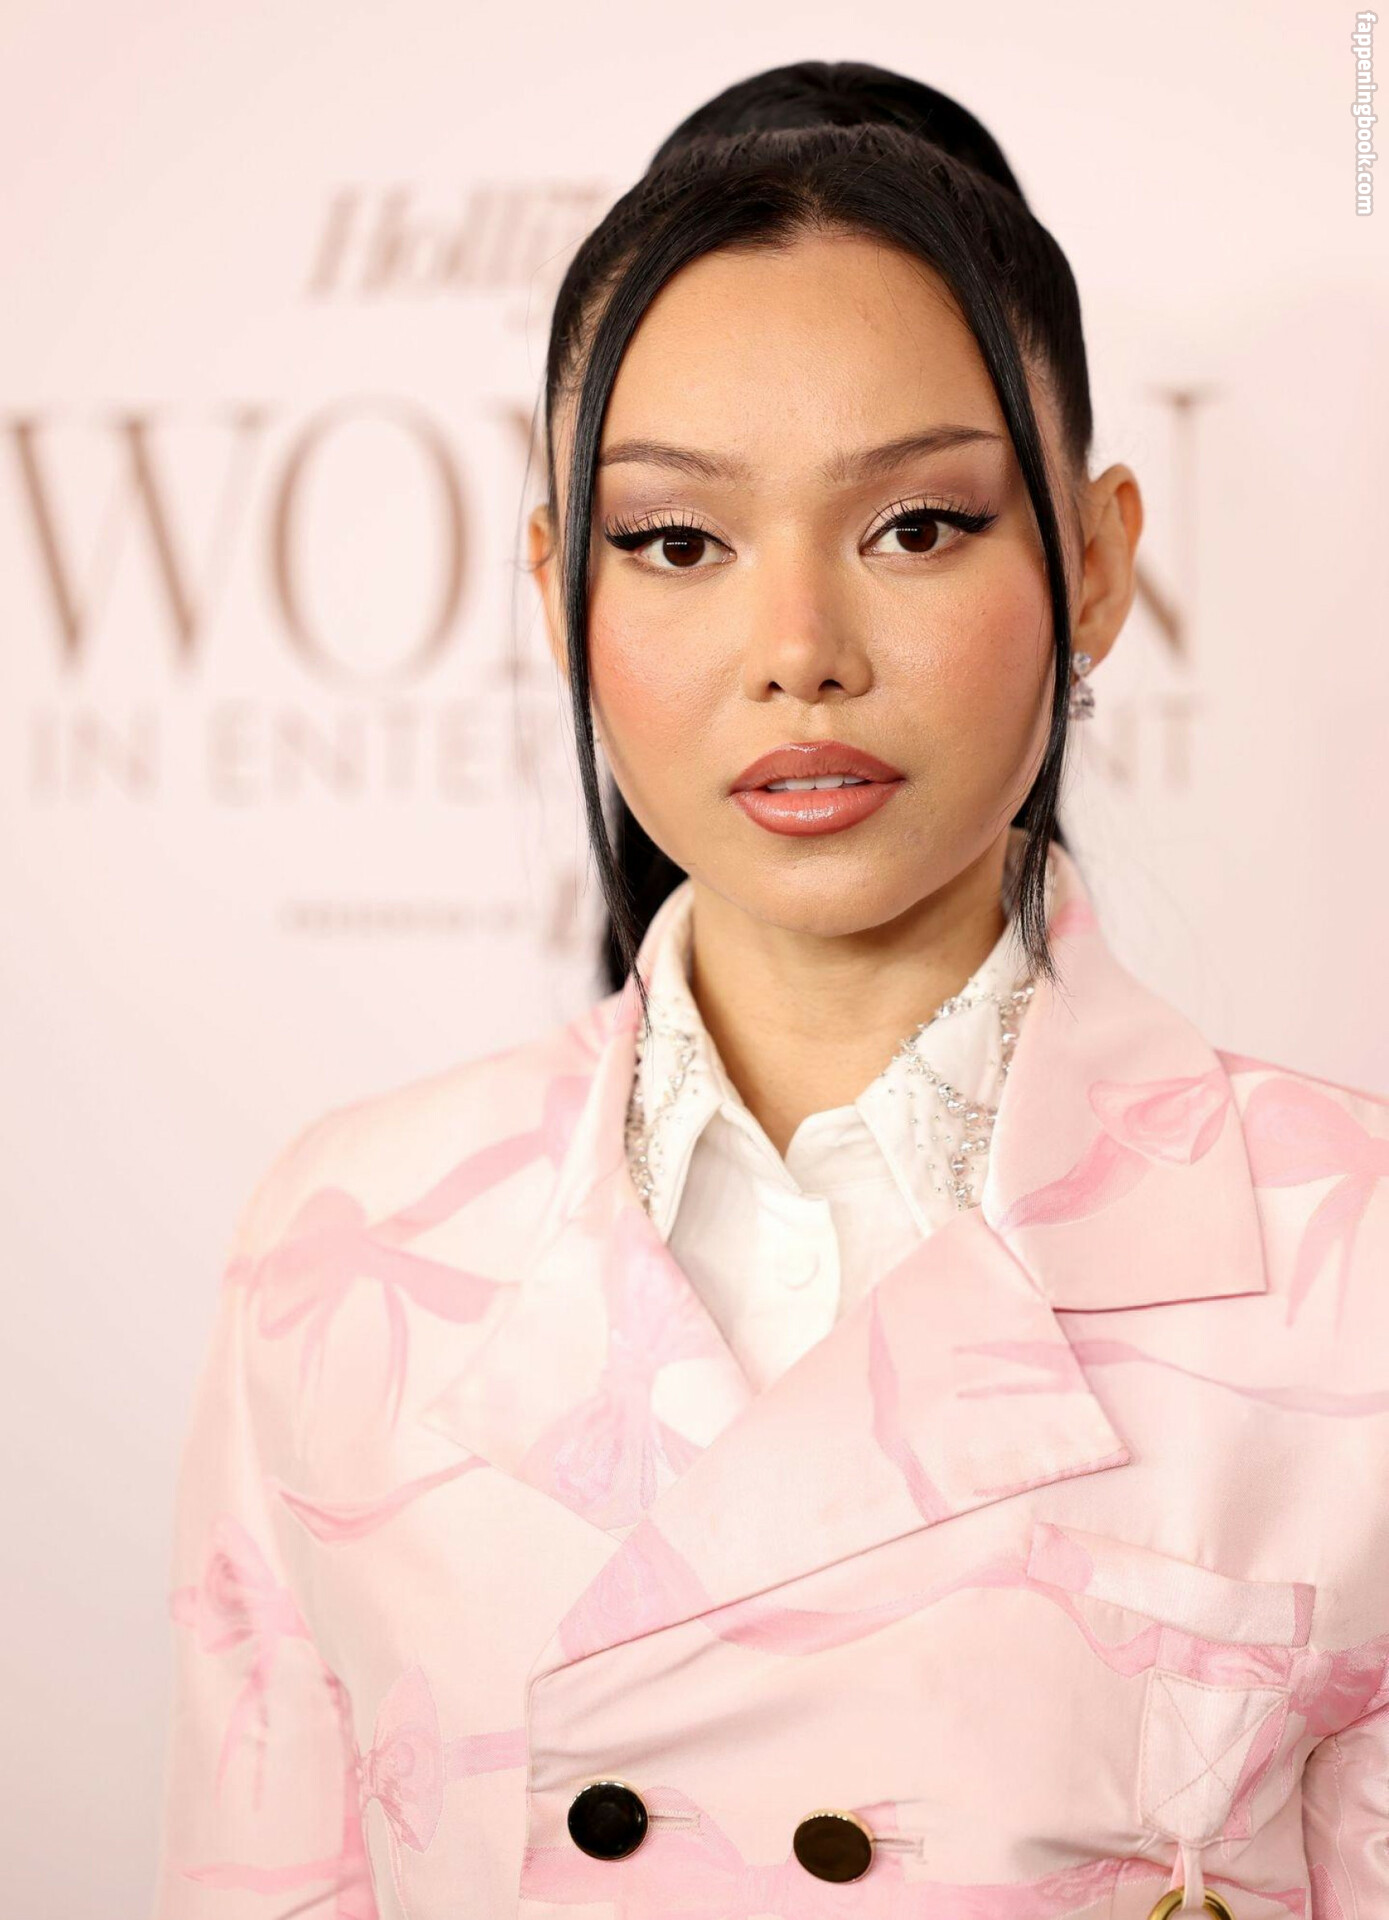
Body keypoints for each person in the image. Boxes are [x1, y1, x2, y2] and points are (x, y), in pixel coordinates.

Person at [151, 60, 1389, 1920]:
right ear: (557, 588)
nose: (798, 650)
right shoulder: (347, 1247)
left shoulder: (1354, 1265)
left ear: (1094, 562)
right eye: (675, 543)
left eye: (917, 527)